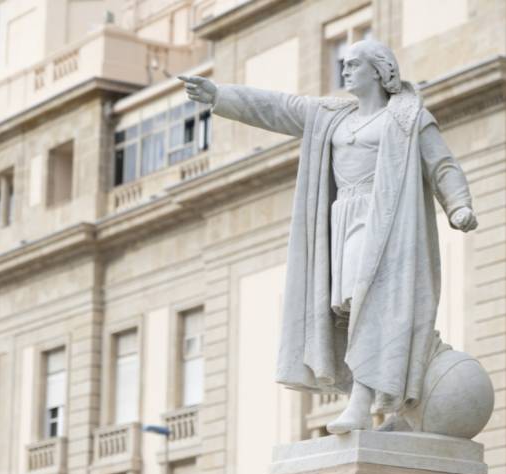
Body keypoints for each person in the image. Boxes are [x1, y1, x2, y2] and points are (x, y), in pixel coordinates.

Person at [179, 39, 477, 433]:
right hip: (341, 222)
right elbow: (277, 107)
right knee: (348, 312)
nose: (346, 69)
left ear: (379, 70)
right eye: (344, 63)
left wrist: (458, 204)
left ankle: (361, 403)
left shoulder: (406, 119)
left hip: (385, 222)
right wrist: (220, 95)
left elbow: (442, 165)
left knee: (367, 304)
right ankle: (393, 398)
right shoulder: (331, 116)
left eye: (354, 63)